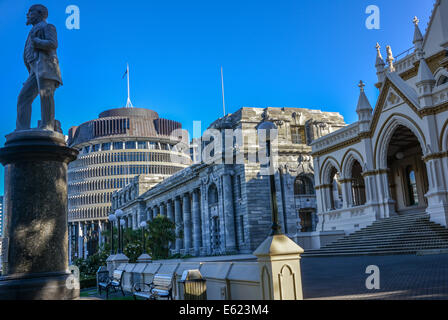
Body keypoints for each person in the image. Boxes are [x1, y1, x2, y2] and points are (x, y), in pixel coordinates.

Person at [17, 4, 62, 131]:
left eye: (30, 12)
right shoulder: (32, 31)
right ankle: (21, 129)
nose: (27, 15)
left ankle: (47, 126)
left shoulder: (48, 27)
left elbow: (53, 44)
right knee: (23, 98)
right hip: (33, 70)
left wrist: (37, 42)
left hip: (46, 67)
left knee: (46, 96)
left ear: (39, 13)